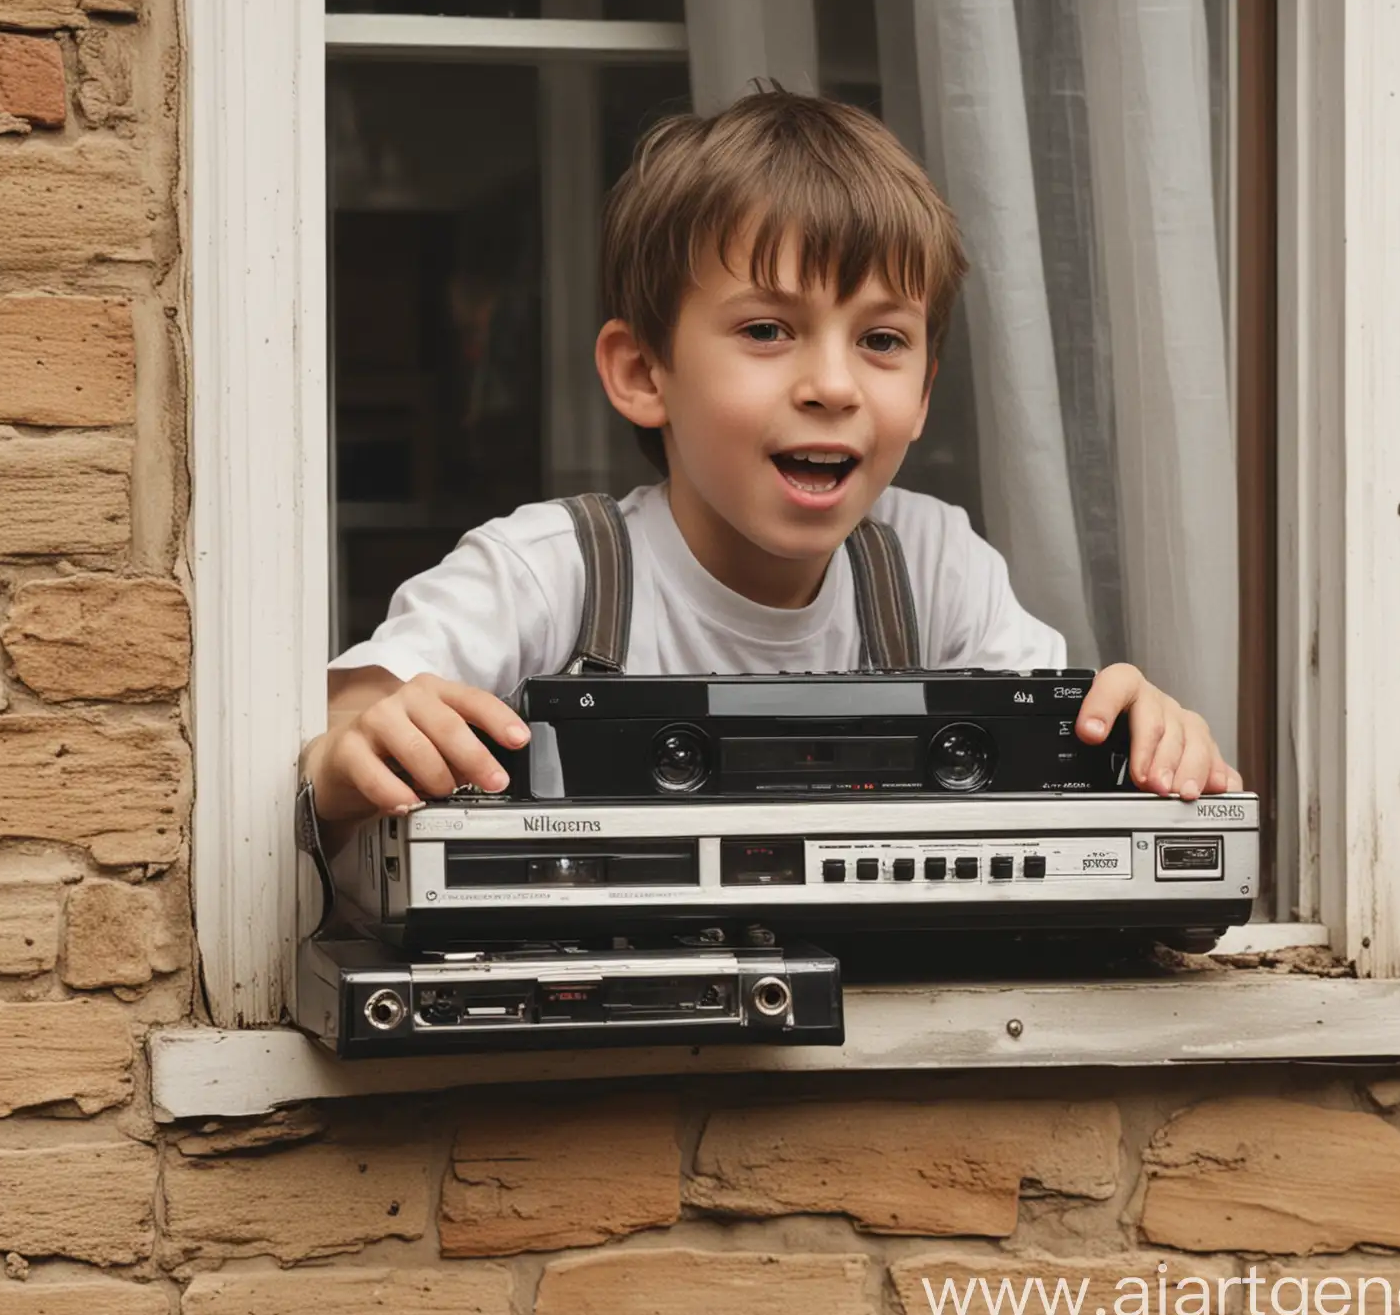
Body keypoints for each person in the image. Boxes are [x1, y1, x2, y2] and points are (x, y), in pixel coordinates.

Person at [304, 87, 1240, 841]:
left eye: (880, 340)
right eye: (766, 330)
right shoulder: (547, 573)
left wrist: (1135, 744)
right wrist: (351, 749)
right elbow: (335, 734)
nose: (832, 384)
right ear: (642, 373)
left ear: (922, 396)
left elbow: (1063, 779)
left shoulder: (934, 566)